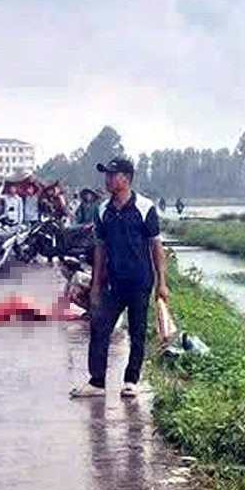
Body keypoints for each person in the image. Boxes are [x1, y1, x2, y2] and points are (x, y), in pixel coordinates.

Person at [69, 157, 168, 400]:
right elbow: (100, 248)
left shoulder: (145, 208)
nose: (108, 179)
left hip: (140, 281)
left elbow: (156, 246)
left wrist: (162, 283)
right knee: (99, 326)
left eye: (112, 175)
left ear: (126, 178)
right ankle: (97, 382)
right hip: (112, 282)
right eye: (107, 175)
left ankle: (131, 380)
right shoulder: (103, 210)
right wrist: (95, 285)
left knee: (137, 330)